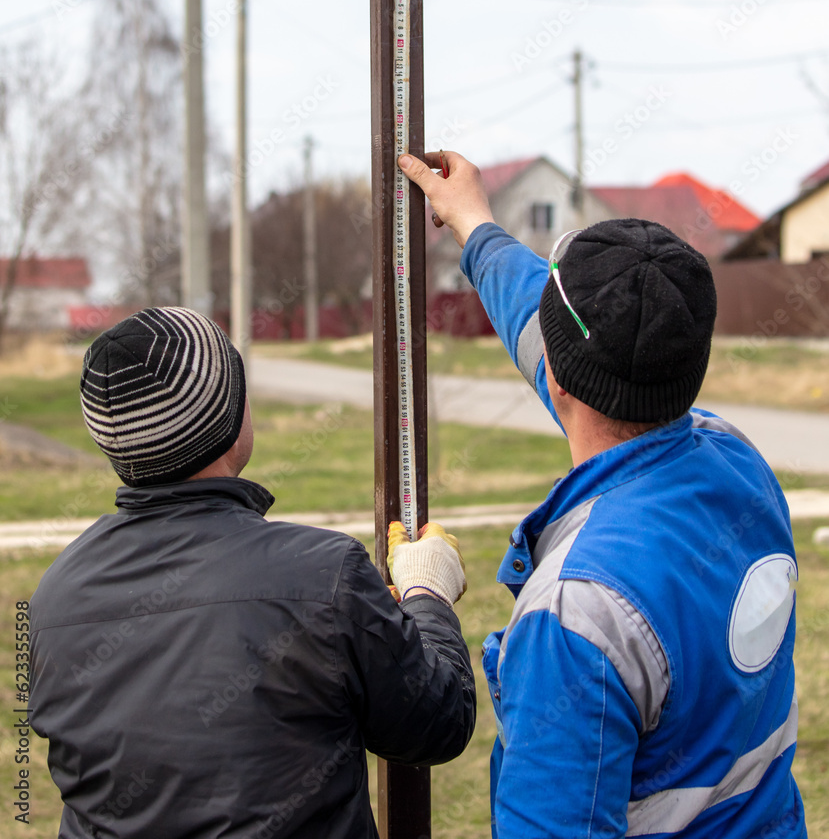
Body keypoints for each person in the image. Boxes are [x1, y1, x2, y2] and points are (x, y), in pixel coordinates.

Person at [399, 150, 805, 839]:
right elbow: (560, 339)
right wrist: (474, 225)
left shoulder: (577, 614)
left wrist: (421, 597)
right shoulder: (734, 457)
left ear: (556, 379)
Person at [29, 306, 475, 839]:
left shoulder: (53, 596)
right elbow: (435, 724)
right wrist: (427, 591)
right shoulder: (324, 575)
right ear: (228, 415)